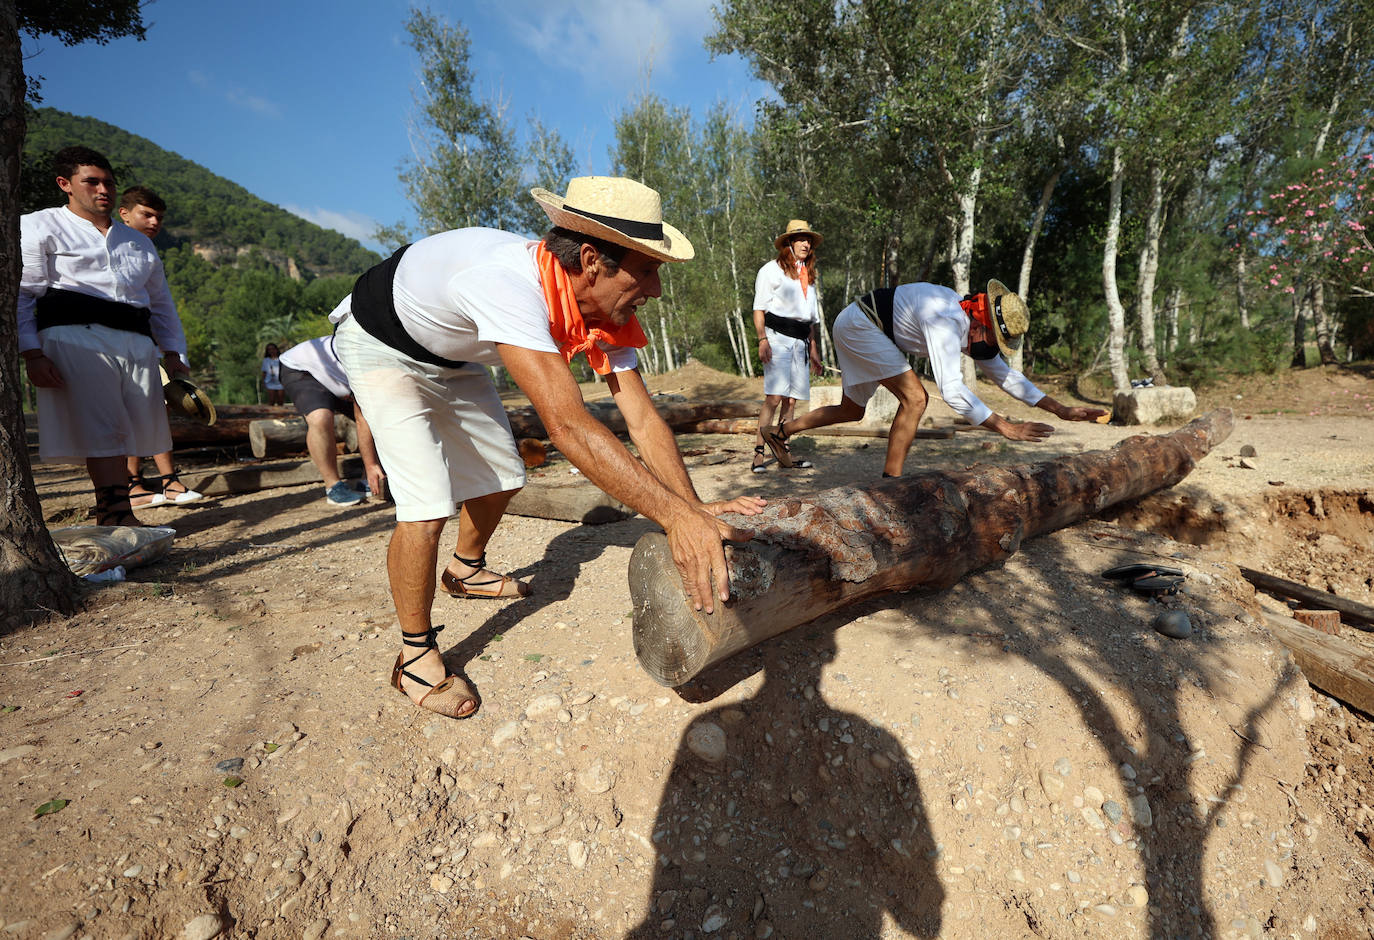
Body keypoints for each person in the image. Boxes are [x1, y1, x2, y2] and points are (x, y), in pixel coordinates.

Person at [330, 176, 764, 719]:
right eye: (647, 270)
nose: (655, 288)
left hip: (453, 354)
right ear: (590, 260)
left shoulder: (604, 308)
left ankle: (465, 570)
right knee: (427, 504)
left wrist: (690, 509)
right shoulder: (509, 286)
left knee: (505, 476)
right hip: (380, 342)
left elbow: (642, 416)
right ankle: (414, 656)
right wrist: (677, 520)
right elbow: (568, 426)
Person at [765, 279, 1106, 477]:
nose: (994, 350)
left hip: (860, 324)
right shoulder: (946, 319)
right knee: (916, 398)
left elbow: (1007, 377)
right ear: (981, 325)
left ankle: (780, 432)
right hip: (860, 325)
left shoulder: (973, 328)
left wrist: (1060, 409)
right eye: (996, 341)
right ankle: (890, 485)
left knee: (852, 411)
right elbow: (953, 390)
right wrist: (1006, 427)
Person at [18, 147, 190, 526]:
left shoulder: (138, 241)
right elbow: (24, 294)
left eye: (108, 183)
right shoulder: (39, 225)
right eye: (91, 182)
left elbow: (161, 304)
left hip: (136, 341)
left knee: (132, 429)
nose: (103, 190)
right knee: (104, 428)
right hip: (75, 336)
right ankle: (114, 515)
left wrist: (174, 353)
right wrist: (31, 352)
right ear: (65, 184)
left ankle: (120, 512)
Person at [116, 185, 203, 508]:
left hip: (144, 347)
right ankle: (134, 485)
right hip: (108, 344)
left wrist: (173, 352)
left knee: (154, 412)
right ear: (124, 213)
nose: (154, 222)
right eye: (146, 214)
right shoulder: (106, 244)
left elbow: (161, 307)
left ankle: (168, 482)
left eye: (159, 217)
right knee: (127, 416)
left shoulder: (147, 251)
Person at [277, 334, 385, 507]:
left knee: (385, 416)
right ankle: (333, 486)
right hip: (304, 368)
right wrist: (371, 463)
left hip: (343, 379)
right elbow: (362, 417)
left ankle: (367, 480)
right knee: (320, 417)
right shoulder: (363, 355)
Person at [751, 219, 823, 473]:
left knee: (791, 402)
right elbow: (759, 309)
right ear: (789, 243)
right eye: (801, 239)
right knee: (774, 397)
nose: (806, 244)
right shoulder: (770, 270)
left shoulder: (809, 276)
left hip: (801, 341)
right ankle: (759, 454)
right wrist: (762, 339)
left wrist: (814, 350)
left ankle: (785, 454)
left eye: (809, 240)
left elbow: (809, 319)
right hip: (777, 337)